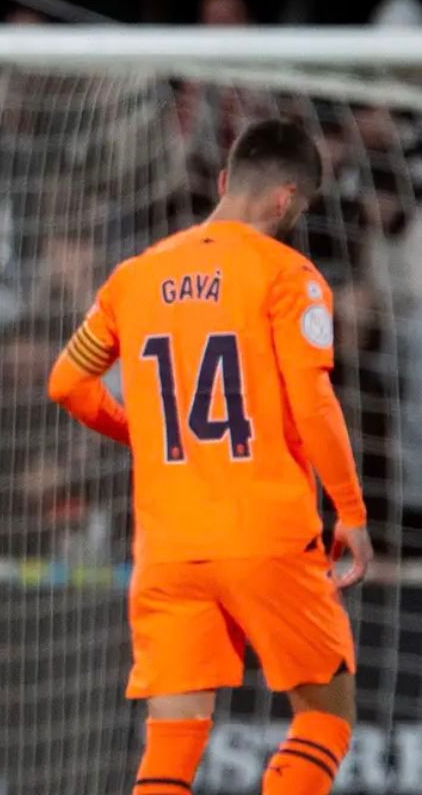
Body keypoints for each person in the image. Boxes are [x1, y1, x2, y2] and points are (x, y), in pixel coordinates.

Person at [47, 118, 372, 795]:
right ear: (286, 200)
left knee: (170, 747)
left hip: (167, 551)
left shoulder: (133, 278)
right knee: (326, 719)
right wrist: (351, 510)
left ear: (225, 182)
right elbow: (313, 403)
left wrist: (141, 433)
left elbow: (67, 383)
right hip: (266, 537)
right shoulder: (289, 275)